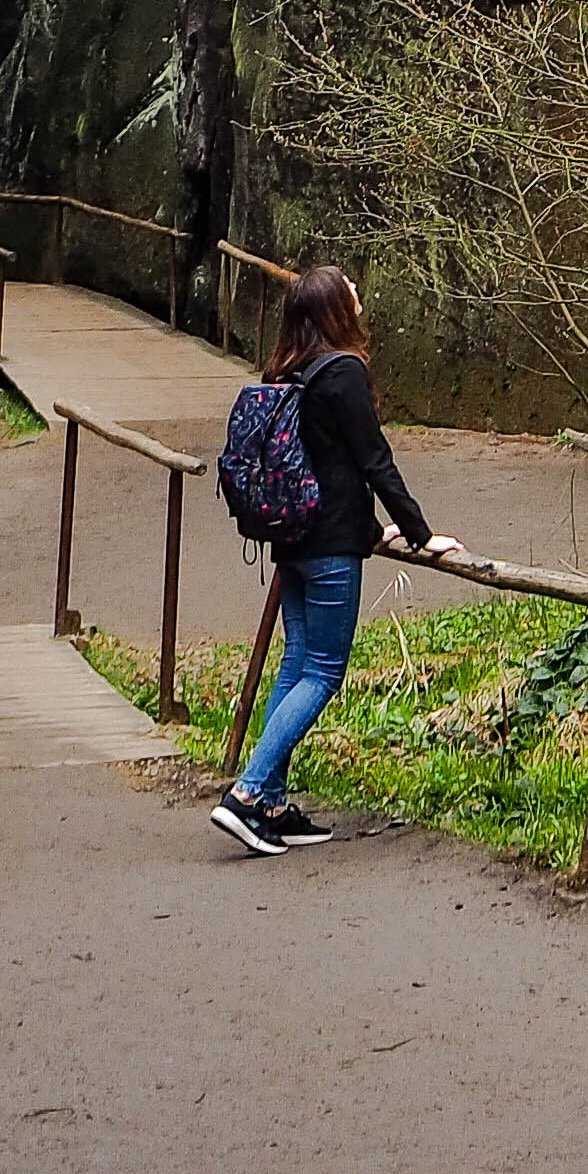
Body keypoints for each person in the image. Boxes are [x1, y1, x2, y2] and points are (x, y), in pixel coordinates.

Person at [212, 265, 458, 852]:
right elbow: (374, 460)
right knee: (322, 673)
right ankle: (245, 795)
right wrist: (423, 535)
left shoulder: (289, 369)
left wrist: (379, 530)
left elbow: (327, 466)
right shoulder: (343, 370)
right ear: (333, 308)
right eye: (348, 286)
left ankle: (269, 802)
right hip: (327, 550)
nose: (358, 290)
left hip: (293, 540)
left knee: (295, 665)